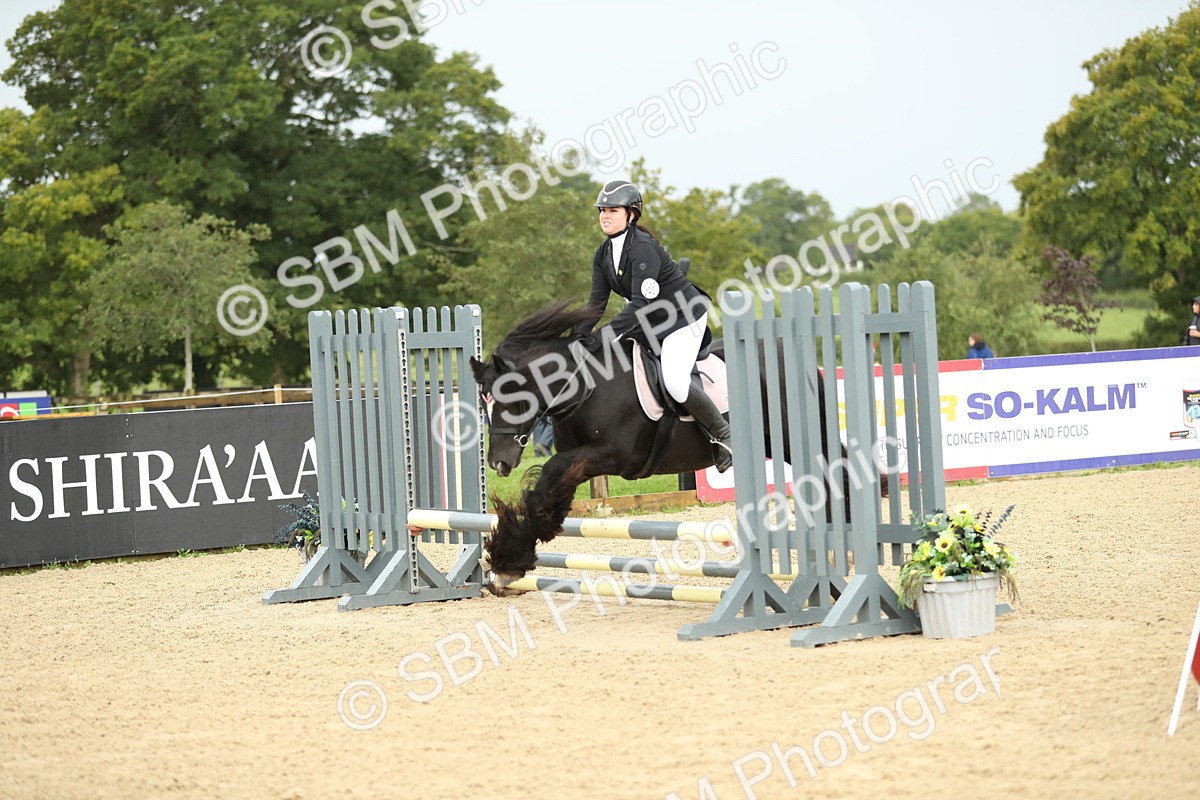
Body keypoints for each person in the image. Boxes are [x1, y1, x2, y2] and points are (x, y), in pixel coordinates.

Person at [571, 179, 732, 471]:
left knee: (675, 381)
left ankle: (724, 435)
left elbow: (639, 304)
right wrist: (578, 336)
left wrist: (602, 337)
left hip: (682, 317)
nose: (605, 216)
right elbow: (596, 304)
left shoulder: (642, 249)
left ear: (631, 214)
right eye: (602, 210)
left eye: (613, 210)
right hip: (651, 322)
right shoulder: (603, 253)